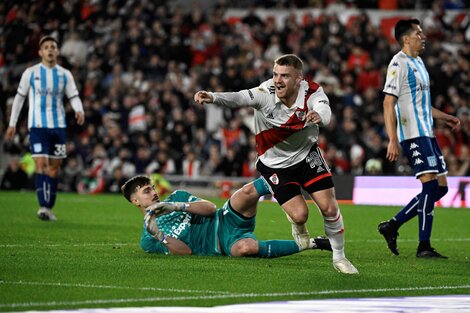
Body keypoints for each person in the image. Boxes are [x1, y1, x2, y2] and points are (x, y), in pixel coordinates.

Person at [194, 54, 358, 274]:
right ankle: (298, 227)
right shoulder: (265, 93)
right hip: (275, 165)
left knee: (329, 207)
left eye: (285, 76)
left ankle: (339, 258)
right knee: (300, 215)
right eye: (275, 74)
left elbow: (324, 109)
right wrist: (213, 97)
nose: (278, 80)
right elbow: (239, 97)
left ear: (299, 79)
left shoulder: (312, 92)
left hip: (307, 155)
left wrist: (319, 115)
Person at [378, 19, 461, 258]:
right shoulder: (398, 63)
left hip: (428, 132)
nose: (423, 36)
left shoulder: (419, 62)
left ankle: (392, 225)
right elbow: (388, 102)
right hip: (413, 134)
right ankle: (423, 246)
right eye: (418, 33)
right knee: (430, 185)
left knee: (441, 189)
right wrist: (392, 139)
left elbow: (421, 103)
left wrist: (445, 117)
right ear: (406, 38)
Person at [121, 175, 332, 259]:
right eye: (146, 191)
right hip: (223, 243)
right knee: (245, 249)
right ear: (136, 202)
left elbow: (211, 208)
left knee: (247, 192)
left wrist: (177, 206)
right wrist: (159, 235)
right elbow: (186, 252)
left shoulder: (177, 196)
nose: (154, 192)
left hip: (225, 218)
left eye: (152, 188)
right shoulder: (148, 240)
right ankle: (313, 243)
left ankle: (287, 175)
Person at [5, 35, 85, 221]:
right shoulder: (31, 72)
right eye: (46, 47)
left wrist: (79, 110)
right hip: (37, 126)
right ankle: (43, 206)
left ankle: (49, 207)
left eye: (53, 47)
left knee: (54, 170)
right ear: (41, 52)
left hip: (58, 127)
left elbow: (73, 95)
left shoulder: (65, 74)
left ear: (57, 51)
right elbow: (19, 97)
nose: (50, 49)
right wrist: (12, 123)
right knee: (40, 165)